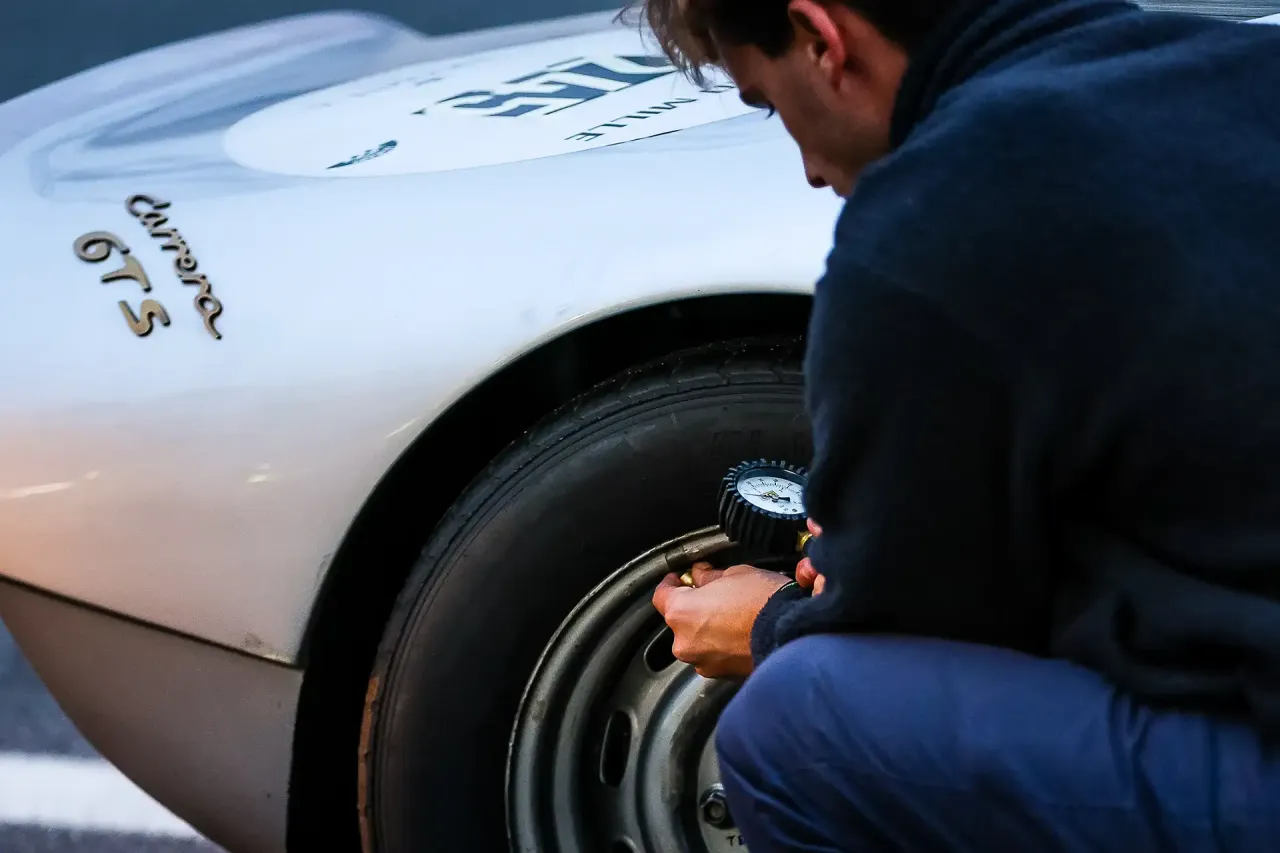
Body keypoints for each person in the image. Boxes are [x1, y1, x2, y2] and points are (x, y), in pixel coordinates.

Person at [638, 0, 1280, 849]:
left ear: (822, 41)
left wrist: (768, 624)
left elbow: (918, 623)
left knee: (793, 724)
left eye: (770, 103)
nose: (809, 170)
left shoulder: (930, 219)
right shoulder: (1245, 68)